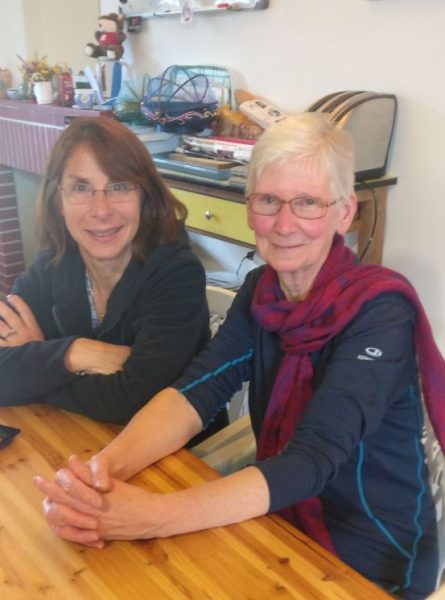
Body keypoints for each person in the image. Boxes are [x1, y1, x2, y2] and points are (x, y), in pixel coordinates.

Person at [34, 113, 445, 599]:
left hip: (374, 556)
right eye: (269, 200)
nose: (285, 224)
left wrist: (151, 516)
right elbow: (194, 393)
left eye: (308, 203)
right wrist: (99, 476)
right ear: (249, 207)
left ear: (344, 212)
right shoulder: (261, 292)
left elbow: (311, 459)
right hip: (280, 521)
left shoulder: (381, 313)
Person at [0, 116, 227, 436]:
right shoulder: (54, 262)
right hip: (78, 437)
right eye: (81, 188)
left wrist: (39, 360)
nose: (102, 210)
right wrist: (75, 353)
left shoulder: (177, 274)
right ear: (58, 198)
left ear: (145, 195)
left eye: (119, 186)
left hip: (178, 453)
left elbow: (133, 401)